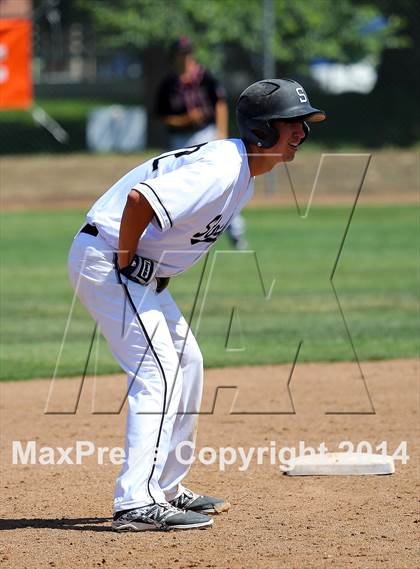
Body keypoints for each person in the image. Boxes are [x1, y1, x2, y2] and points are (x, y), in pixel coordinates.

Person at [67, 78, 326, 532]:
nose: (301, 135)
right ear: (264, 130)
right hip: (109, 257)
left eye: (304, 125)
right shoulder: (223, 168)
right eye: (292, 125)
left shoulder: (242, 170)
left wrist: (141, 266)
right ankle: (136, 503)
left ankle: (165, 486)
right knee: (157, 370)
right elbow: (139, 200)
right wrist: (127, 260)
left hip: (129, 267)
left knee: (187, 363)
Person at [156, 36, 248, 250]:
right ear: (173, 57)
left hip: (207, 135)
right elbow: (162, 116)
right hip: (179, 140)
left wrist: (221, 133)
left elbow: (220, 103)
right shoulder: (168, 83)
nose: (186, 57)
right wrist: (184, 120)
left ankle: (236, 232)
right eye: (182, 53)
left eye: (189, 52)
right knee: (180, 188)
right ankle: (181, 239)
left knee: (223, 184)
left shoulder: (204, 76)